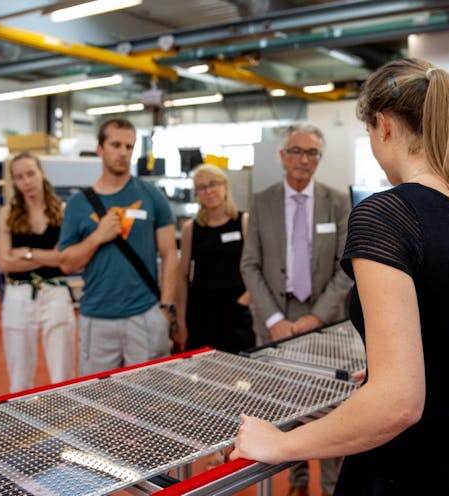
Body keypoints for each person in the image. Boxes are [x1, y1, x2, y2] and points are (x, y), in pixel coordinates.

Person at [231, 58, 449, 495]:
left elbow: (398, 404)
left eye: (369, 133)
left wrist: (283, 443)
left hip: (400, 472)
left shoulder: (387, 215)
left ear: (383, 125)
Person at [240, 123, 351, 496]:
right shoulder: (261, 201)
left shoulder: (338, 202)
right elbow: (250, 265)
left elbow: (346, 267)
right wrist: (274, 320)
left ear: (319, 158)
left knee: (331, 411)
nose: (304, 159)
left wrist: (317, 316)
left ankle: (332, 486)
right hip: (277, 325)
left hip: (323, 326)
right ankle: (298, 481)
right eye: (296, 151)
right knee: (282, 408)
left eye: (312, 153)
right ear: (282, 156)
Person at [59, 118, 178, 375]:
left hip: (145, 316)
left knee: (150, 396)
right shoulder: (79, 204)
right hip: (97, 319)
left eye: (129, 146)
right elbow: (67, 263)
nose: (123, 152)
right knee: (98, 401)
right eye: (115, 145)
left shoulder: (152, 196)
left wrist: (166, 309)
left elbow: (170, 255)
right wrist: (97, 237)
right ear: (100, 149)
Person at [0, 152, 75, 393]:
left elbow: (64, 260)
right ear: (14, 182)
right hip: (18, 295)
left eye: (30, 173)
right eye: (19, 177)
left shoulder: (62, 211)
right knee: (19, 377)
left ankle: (66, 422)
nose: (26, 181)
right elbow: (5, 263)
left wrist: (27, 253)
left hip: (56, 292)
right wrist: (47, 257)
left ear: (42, 173)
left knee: (63, 374)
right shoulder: (7, 213)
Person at [175, 164, 254, 354]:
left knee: (239, 372)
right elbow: (182, 276)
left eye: (213, 184)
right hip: (201, 310)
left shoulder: (243, 221)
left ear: (225, 186)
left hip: (236, 310)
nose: (208, 191)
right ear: (196, 194)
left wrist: (244, 300)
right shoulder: (190, 228)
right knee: (202, 373)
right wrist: (180, 321)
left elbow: (258, 268)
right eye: (202, 187)